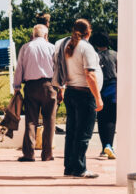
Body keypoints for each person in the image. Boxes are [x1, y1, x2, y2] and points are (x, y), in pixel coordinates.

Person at [54, 19, 103, 178]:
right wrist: (98, 98)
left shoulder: (67, 46)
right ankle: (80, 168)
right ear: (89, 32)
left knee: (72, 132)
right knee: (84, 133)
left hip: (71, 92)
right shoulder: (85, 48)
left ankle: (69, 166)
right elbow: (90, 75)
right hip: (84, 94)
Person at [13, 24, 57, 162]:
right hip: (49, 85)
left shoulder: (26, 48)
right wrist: (61, 87)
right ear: (45, 35)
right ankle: (47, 154)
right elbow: (58, 68)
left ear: (33, 34)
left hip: (31, 86)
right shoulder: (52, 47)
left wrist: (17, 87)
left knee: (31, 120)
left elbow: (19, 68)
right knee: (49, 120)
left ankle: (29, 153)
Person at [92, 31, 118, 159]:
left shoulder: (95, 56)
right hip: (113, 88)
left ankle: (104, 147)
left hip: (99, 88)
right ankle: (109, 145)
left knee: (101, 118)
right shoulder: (115, 55)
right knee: (112, 119)